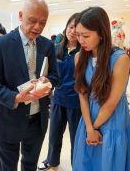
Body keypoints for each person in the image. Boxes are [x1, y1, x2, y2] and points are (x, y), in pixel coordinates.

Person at [0, 0, 59, 171]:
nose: (38, 27)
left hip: (37, 118)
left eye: (43, 23)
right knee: (7, 166)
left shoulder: (47, 45)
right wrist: (16, 97)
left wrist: (47, 81)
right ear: (20, 15)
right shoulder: (0, 44)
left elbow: (56, 75)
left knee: (30, 165)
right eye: (32, 21)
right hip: (8, 118)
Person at [72, 7, 130, 171]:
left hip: (112, 120)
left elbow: (110, 104)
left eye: (85, 36)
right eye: (78, 35)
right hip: (88, 120)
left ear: (101, 32)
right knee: (86, 163)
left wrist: (94, 128)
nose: (81, 40)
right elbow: (82, 94)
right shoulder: (79, 57)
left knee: (108, 163)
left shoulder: (120, 59)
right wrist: (89, 128)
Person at [38, 13, 82, 170]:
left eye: (77, 29)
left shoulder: (84, 53)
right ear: (66, 27)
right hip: (58, 100)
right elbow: (50, 74)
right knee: (54, 135)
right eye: (71, 27)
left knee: (76, 138)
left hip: (77, 103)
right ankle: (52, 161)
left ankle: (76, 165)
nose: (72, 31)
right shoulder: (56, 49)